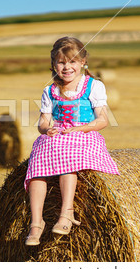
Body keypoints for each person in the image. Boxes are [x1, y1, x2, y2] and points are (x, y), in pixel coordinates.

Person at [24, 36, 120, 246]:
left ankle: (66, 213)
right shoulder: (49, 91)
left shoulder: (93, 86)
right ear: (53, 65)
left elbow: (102, 120)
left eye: (72, 62)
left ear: (83, 62)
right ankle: (36, 222)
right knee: (37, 165)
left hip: (84, 135)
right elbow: (43, 122)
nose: (67, 67)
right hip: (57, 136)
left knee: (68, 160)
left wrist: (79, 129)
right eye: (61, 62)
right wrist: (47, 129)